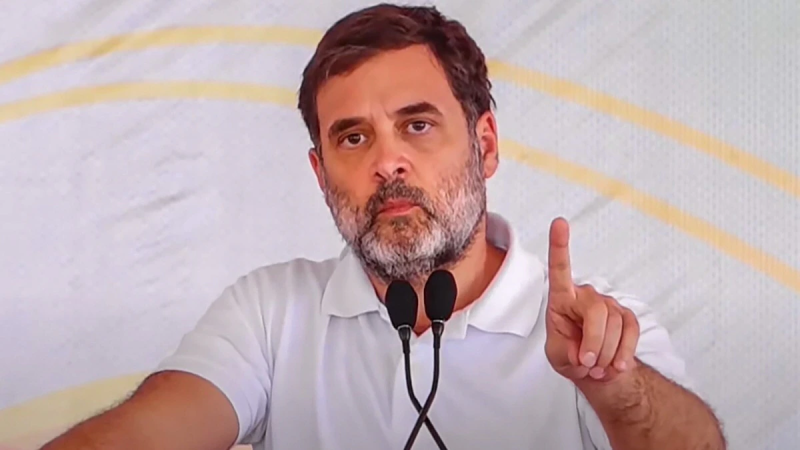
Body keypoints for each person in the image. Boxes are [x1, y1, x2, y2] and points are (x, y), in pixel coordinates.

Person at [41, 3, 725, 450]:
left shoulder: (593, 328)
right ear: (321, 173)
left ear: (485, 144)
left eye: (417, 125)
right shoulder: (269, 313)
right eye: (353, 137)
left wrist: (613, 386)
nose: (387, 162)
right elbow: (144, 435)